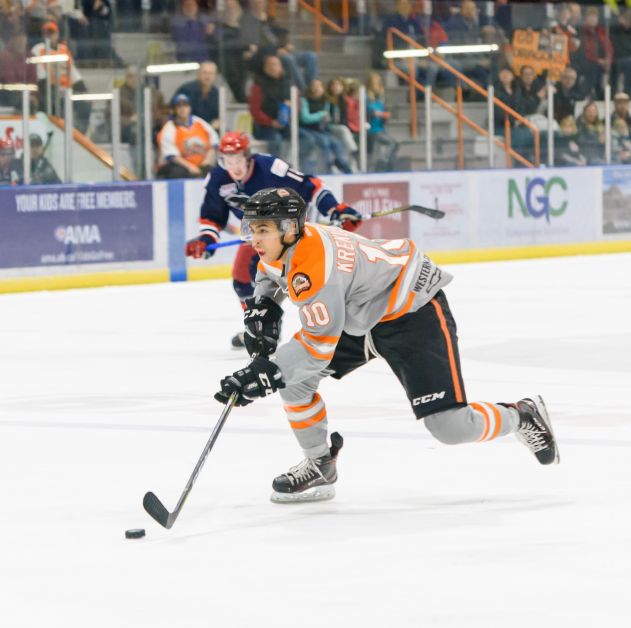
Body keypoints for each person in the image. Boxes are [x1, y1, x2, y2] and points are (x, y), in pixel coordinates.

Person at [213, 187, 560, 503]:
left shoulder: (316, 267)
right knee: (296, 382)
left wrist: (265, 373)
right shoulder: (286, 245)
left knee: (450, 428)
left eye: (262, 230)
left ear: (288, 229)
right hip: (361, 312)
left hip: (410, 309)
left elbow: (319, 343)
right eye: (251, 229)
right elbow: (271, 273)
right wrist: (266, 305)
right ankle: (320, 464)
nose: (253, 239)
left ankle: (522, 415)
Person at [184, 131, 363, 348]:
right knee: (242, 280)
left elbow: (311, 186)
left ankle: (343, 326)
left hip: (289, 234)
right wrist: (205, 239)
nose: (234, 166)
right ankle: (259, 329)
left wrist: (336, 209)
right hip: (259, 236)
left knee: (308, 281)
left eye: (238, 159)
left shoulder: (270, 167)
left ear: (248, 156)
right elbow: (212, 217)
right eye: (227, 161)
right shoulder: (218, 179)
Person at [156, 93, 219, 179]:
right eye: (179, 106)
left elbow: (214, 143)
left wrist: (207, 161)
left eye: (185, 105)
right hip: (182, 166)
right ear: (174, 110)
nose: (183, 109)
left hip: (202, 163)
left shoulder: (199, 122)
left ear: (190, 108)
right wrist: (190, 167)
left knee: (216, 172)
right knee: (177, 173)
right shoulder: (169, 128)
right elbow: (172, 156)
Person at [366, 71, 399, 171]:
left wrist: (384, 114)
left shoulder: (381, 98)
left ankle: (389, 167)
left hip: (380, 128)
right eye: (374, 83)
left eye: (378, 83)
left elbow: (386, 112)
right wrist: (380, 114)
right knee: (391, 143)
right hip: (371, 129)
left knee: (394, 144)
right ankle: (382, 162)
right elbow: (372, 112)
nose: (376, 86)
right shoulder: (366, 97)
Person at [175, 61, 220, 131]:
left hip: (209, 133)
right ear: (198, 74)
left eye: (211, 73)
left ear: (215, 76)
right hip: (187, 131)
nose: (207, 76)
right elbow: (175, 112)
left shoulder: (217, 93)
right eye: (204, 73)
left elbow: (220, 115)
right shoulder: (186, 90)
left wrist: (219, 121)